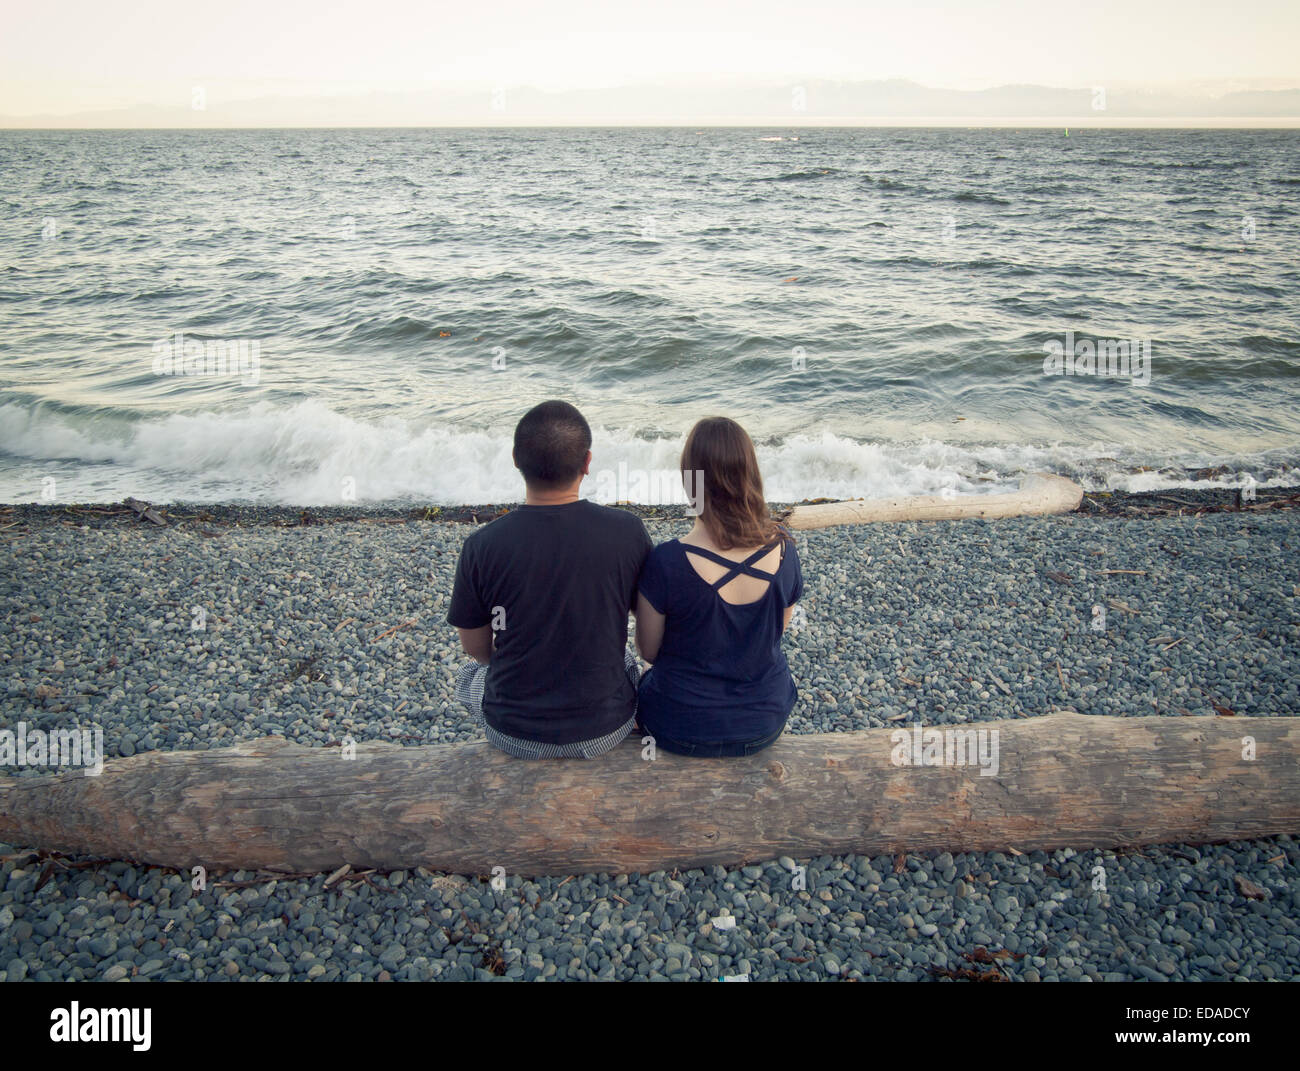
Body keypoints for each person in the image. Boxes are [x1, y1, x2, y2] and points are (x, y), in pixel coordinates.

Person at [447, 400, 652, 758]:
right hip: (606, 729)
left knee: (468, 677)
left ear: (515, 459)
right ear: (587, 463)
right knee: (626, 665)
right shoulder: (627, 532)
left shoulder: (482, 545)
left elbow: (476, 649)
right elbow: (646, 629)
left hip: (513, 734)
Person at [634, 416, 802, 757]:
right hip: (763, 722)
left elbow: (648, 652)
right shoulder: (784, 550)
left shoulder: (667, 561)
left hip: (679, 727)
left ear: (689, 480)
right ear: (750, 475)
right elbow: (775, 633)